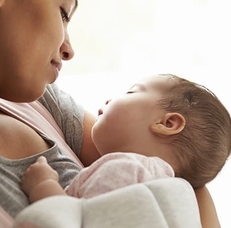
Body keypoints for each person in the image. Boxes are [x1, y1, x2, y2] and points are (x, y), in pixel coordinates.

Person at [0, 0, 222, 227]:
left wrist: (45, 186)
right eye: (63, 11)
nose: (68, 50)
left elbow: (183, 169)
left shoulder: (39, 103)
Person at [21, 73, 231, 201]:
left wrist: (44, 186)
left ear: (167, 124)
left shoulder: (127, 172)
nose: (111, 98)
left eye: (131, 93)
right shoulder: (169, 190)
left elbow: (73, 219)